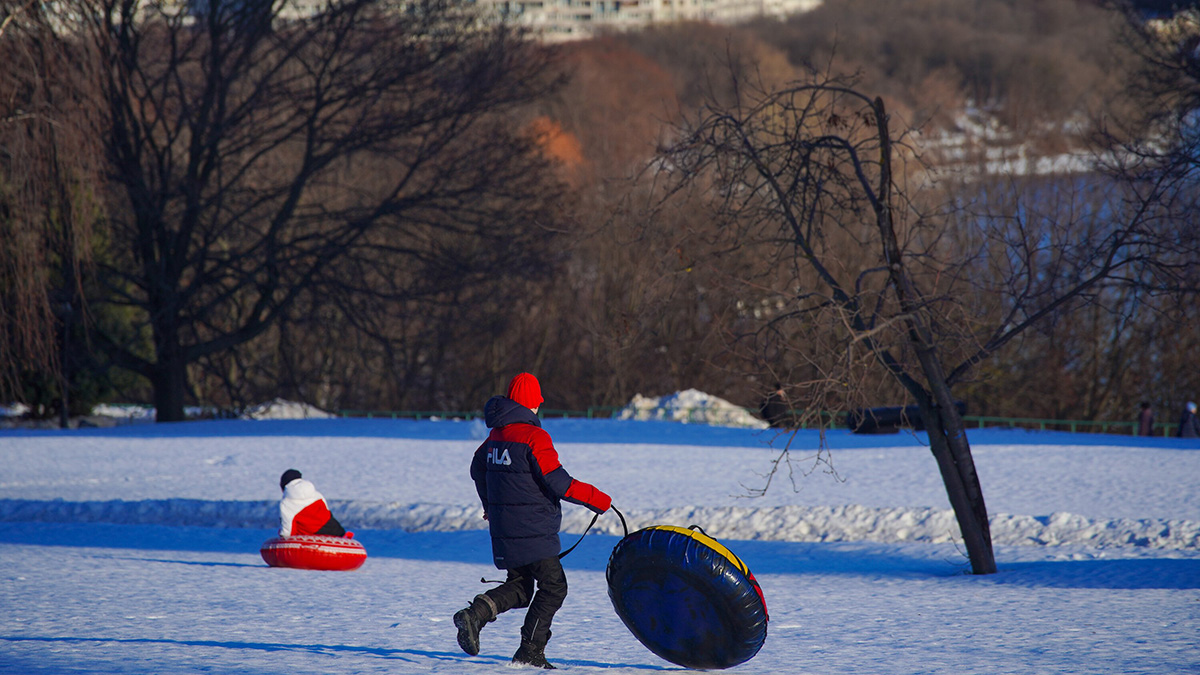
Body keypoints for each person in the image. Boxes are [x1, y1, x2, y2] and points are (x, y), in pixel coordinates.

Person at [454, 372, 612, 669]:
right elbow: (558, 482)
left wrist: (490, 505)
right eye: (537, 402)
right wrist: (598, 499)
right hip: (534, 530)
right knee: (554, 587)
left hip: (505, 530)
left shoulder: (496, 436)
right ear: (530, 403)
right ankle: (530, 650)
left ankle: (476, 614)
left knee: (521, 587)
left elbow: (477, 469)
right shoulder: (534, 437)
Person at [278, 469, 347, 537]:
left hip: (312, 535)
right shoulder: (316, 494)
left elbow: (287, 531)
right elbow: (327, 511)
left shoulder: (286, 504)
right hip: (334, 529)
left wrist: (282, 535)